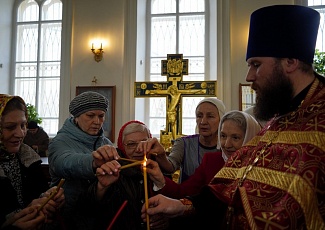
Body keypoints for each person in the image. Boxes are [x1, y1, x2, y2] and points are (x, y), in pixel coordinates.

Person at [140, 5, 325, 229]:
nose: (249, 76)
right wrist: (182, 206)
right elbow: (229, 188)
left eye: (256, 65)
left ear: (290, 62)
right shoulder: (279, 121)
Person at [145, 110, 261, 199]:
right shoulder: (211, 161)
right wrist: (160, 179)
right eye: (223, 136)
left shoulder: (262, 165)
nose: (226, 144)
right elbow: (183, 192)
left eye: (235, 137)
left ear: (250, 138)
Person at [77, 120, 168, 230]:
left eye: (144, 143)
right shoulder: (111, 167)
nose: (139, 149)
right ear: (121, 146)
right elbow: (86, 210)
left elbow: (171, 205)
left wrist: (165, 218)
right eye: (131, 144)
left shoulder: (156, 167)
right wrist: (101, 187)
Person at [48, 91, 116, 229]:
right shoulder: (60, 141)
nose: (97, 122)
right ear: (77, 117)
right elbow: (63, 163)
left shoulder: (106, 142)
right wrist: (93, 162)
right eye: (90, 116)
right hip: (68, 216)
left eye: (101, 116)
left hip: (100, 215)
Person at [0, 94, 65, 229]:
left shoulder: (28, 159)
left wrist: (46, 199)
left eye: (23, 125)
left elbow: (32, 199)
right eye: (10, 127)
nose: (20, 133)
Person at [139, 97, 226, 183]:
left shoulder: (227, 146)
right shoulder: (184, 143)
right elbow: (171, 167)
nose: (203, 121)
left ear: (221, 119)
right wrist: (161, 155)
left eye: (210, 116)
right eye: (199, 116)